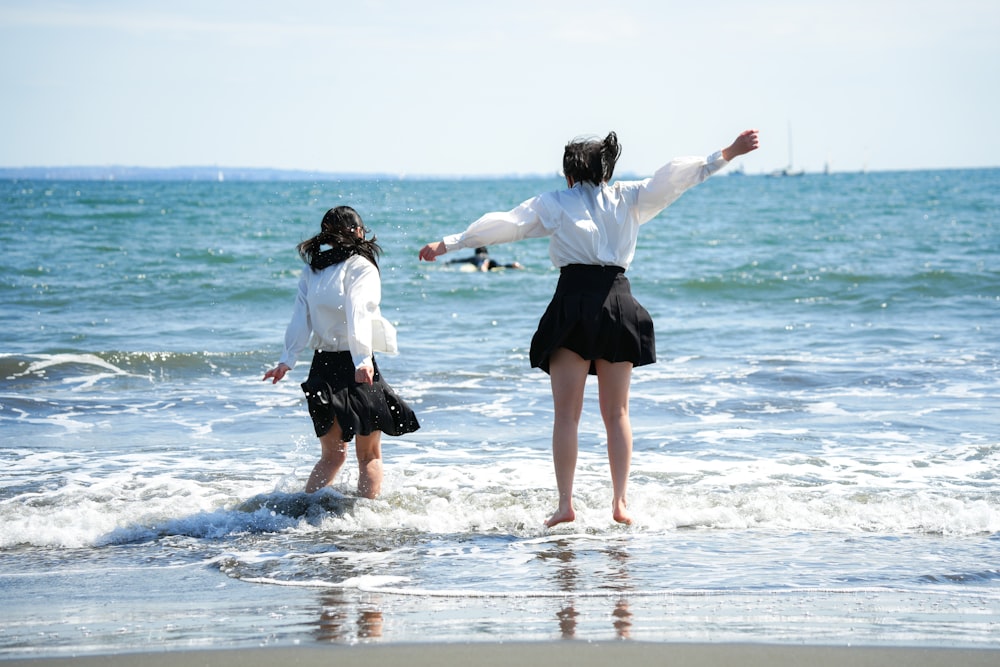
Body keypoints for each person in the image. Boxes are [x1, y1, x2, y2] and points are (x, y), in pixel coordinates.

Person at [419, 129, 760, 526]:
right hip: (617, 301)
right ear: (606, 171)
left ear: (568, 174)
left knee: (567, 416)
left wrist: (451, 243)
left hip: (573, 302)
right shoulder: (629, 196)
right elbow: (675, 181)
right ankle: (620, 503)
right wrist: (726, 154)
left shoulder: (556, 203)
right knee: (617, 414)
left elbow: (507, 225)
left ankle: (566, 506)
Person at [265, 206, 420, 499]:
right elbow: (358, 310)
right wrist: (362, 360)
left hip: (321, 365)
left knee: (332, 456)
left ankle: (305, 514)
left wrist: (286, 360)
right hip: (354, 363)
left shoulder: (312, 270)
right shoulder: (362, 266)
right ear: (359, 232)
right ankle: (364, 527)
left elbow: (301, 319)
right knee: (369, 455)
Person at [447, 246, 524, 271]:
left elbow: (460, 260)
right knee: (500, 265)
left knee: (481, 266)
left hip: (482, 263)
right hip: (490, 261)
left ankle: (484, 266)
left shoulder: (475, 257)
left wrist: (450, 262)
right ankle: (514, 265)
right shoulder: (487, 256)